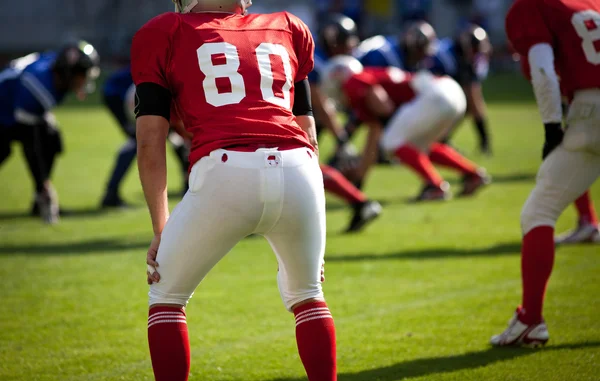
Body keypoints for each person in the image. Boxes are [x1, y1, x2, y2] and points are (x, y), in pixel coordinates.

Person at [131, 1, 337, 380]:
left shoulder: (165, 30)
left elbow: (149, 144)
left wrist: (162, 229)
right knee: (308, 294)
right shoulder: (287, 26)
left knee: (167, 297)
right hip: (299, 167)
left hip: (225, 168)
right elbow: (308, 132)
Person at [492, 0, 600, 347]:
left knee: (538, 212)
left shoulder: (531, 6)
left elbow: (542, 69)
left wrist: (552, 127)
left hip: (592, 111)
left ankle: (531, 319)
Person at [322, 56, 490, 200]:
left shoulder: (354, 81)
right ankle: (473, 175)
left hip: (434, 95)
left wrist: (381, 119)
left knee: (391, 142)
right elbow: (373, 138)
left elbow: (383, 105)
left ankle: (435, 186)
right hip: (450, 92)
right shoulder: (368, 77)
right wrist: (359, 180)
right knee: (417, 146)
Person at [0, 42, 100, 223]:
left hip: (16, 108)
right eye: (81, 75)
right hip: (5, 113)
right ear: (68, 73)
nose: (84, 80)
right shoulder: (39, 87)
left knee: (51, 138)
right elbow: (30, 142)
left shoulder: (54, 70)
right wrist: (43, 184)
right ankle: (41, 196)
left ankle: (38, 201)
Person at [100, 67, 189, 208]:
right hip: (125, 96)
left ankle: (188, 187)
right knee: (136, 143)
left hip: (141, 96)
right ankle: (111, 194)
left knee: (176, 141)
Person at [424, 24, 493, 155]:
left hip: (447, 92)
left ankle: (441, 140)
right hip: (430, 91)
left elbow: (473, 91)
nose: (475, 54)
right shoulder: (443, 55)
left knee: (468, 102)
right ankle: (435, 140)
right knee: (458, 103)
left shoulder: (476, 59)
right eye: (473, 49)